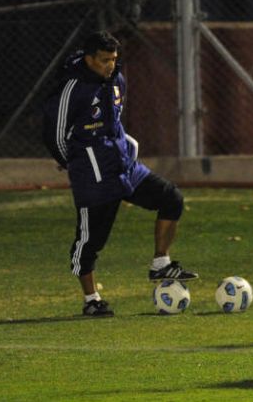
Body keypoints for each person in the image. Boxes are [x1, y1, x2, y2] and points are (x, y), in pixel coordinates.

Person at [41, 31, 198, 317]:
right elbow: (54, 135)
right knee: (90, 242)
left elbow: (114, 122)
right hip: (94, 177)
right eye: (104, 60)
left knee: (171, 198)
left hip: (125, 168)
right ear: (89, 59)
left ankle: (160, 264)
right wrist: (77, 163)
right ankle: (91, 300)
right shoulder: (72, 88)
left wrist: (126, 146)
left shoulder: (117, 81)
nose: (110, 65)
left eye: (113, 59)